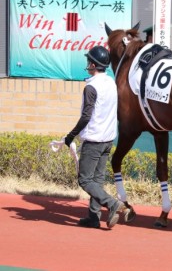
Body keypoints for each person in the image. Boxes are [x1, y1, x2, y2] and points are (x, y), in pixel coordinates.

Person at [64, 46, 125, 229]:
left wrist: (70, 136)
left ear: (92, 64)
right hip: (108, 139)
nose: (87, 64)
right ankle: (93, 217)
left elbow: (86, 116)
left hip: (94, 139)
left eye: (88, 61)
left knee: (85, 180)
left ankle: (112, 204)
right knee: (97, 180)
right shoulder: (111, 83)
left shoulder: (91, 87)